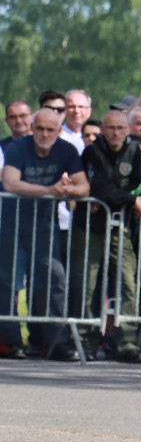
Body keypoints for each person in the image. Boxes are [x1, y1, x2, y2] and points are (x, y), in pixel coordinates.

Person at [0, 108, 89, 360]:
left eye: (50, 130)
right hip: (12, 219)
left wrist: (67, 189)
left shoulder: (66, 151)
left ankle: (57, 342)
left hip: (43, 222)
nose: (44, 134)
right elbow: (10, 183)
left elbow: (83, 186)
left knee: (54, 277)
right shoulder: (18, 147)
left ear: (58, 131)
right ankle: (12, 341)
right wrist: (51, 190)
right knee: (7, 281)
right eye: (39, 128)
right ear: (33, 128)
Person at [68, 110, 141, 362]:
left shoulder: (135, 151)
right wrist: (130, 200)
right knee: (87, 283)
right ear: (103, 130)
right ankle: (85, 341)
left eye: (120, 128)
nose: (116, 133)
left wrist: (127, 197)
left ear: (127, 130)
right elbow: (98, 187)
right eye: (111, 128)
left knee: (127, 282)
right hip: (90, 225)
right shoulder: (92, 151)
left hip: (121, 226)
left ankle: (126, 343)